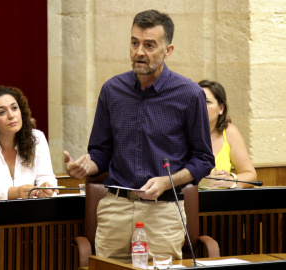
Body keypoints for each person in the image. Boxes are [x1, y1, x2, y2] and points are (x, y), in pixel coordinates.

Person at [63, 10, 214, 262]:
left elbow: (203, 160)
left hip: (163, 212)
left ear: (168, 50)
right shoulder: (112, 90)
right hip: (116, 209)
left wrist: (167, 181)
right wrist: (87, 165)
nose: (139, 52)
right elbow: (101, 151)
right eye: (134, 43)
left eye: (149, 45)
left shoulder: (189, 94)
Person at [197, 80, 256, 189]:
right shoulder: (180, 133)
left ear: (221, 108)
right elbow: (168, 177)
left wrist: (230, 180)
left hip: (222, 202)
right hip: (187, 202)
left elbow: (251, 175)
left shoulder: (230, 132)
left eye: (207, 102)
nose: (201, 106)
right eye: (197, 101)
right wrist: (200, 181)